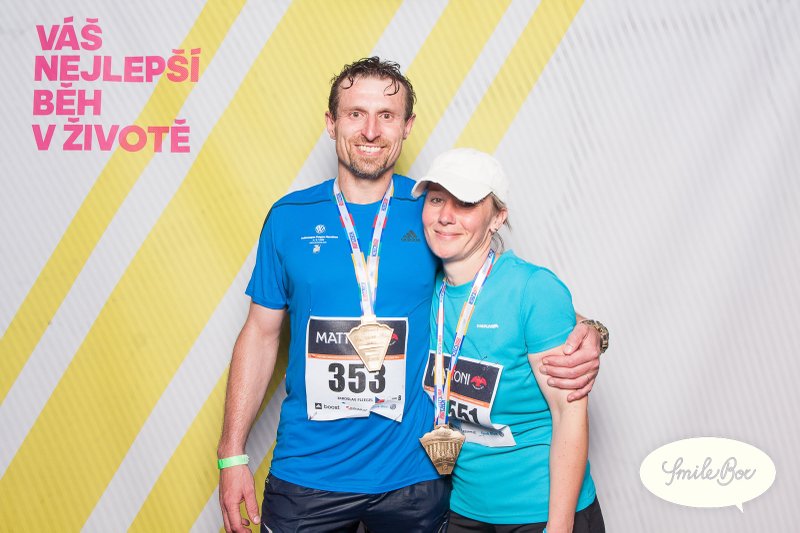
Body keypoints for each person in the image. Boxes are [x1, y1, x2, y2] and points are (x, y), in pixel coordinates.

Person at [217, 57, 607, 533]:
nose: (371, 130)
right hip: (309, 472)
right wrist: (231, 453)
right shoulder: (288, 218)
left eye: (386, 115)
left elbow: (497, 286)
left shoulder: (431, 212)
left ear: (407, 127)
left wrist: (590, 331)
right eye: (356, 113)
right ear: (331, 122)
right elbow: (260, 335)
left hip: (415, 477)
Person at [412, 147, 605, 533]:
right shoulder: (423, 291)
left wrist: (559, 526)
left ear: (498, 217)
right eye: (436, 200)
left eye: (466, 203)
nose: (446, 216)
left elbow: (569, 414)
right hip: (465, 509)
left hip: (540, 512)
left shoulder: (532, 288)